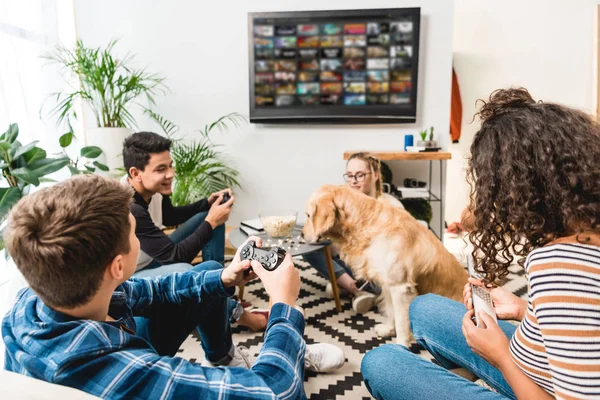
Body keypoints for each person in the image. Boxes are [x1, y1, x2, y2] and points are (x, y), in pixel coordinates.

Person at [2, 174, 344, 399]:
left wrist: (224, 278)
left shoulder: (35, 299)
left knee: (208, 273)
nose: (141, 238)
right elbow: (276, 393)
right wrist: (284, 306)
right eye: (135, 232)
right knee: (276, 373)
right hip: (120, 372)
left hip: (102, 347)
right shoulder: (124, 375)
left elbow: (149, 293)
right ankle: (285, 354)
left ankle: (230, 363)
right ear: (118, 266)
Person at [361, 88, 600, 399]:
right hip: (542, 364)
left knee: (382, 363)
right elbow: (584, 324)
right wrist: (522, 309)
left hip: (535, 387)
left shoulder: (559, 265)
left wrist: (500, 356)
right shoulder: (586, 234)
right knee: (424, 307)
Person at [122, 131, 266, 331]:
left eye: (170, 165)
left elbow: (170, 215)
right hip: (132, 276)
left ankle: (221, 292)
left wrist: (206, 204)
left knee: (204, 218)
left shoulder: (149, 189)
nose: (171, 174)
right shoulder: (130, 206)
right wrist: (211, 221)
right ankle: (235, 313)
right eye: (161, 169)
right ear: (135, 173)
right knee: (187, 272)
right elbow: (175, 257)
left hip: (151, 257)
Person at [303, 152, 404, 313]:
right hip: (355, 265)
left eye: (360, 175)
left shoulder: (391, 206)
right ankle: (355, 289)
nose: (353, 181)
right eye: (349, 176)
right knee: (310, 248)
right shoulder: (343, 205)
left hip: (378, 272)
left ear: (376, 175)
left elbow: (392, 259)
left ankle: (349, 287)